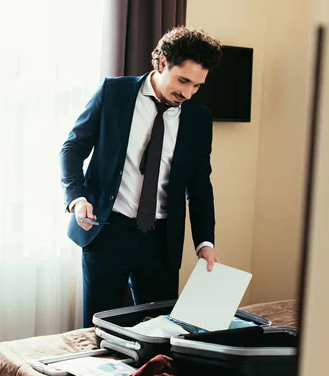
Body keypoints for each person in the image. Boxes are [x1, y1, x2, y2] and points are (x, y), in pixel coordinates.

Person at [60, 26, 222, 328]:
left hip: (161, 240)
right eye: (183, 80)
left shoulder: (199, 119)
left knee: (161, 333)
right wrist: (77, 199)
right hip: (108, 231)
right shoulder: (113, 93)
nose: (187, 93)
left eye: (197, 86)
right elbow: (72, 148)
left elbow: (199, 185)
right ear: (162, 63)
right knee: (99, 330)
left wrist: (205, 242)